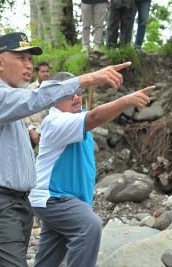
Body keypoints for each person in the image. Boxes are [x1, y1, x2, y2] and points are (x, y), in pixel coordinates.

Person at [0, 31, 132, 267]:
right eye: (21, 58)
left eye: (30, 60)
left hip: (15, 203)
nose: (28, 65)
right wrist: (90, 79)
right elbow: (36, 99)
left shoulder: (12, 105)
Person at [29, 71, 155, 267]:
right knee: (89, 226)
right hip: (54, 197)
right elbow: (95, 117)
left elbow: (92, 117)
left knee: (48, 258)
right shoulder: (56, 121)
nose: (76, 96)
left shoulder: (76, 117)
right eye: (68, 93)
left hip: (65, 198)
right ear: (53, 100)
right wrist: (125, 101)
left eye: (78, 91)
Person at [26, 61, 51, 149]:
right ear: (36, 73)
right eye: (43, 72)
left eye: (47, 71)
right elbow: (24, 111)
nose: (45, 74)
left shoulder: (54, 88)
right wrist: (31, 130)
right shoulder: (29, 89)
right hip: (33, 129)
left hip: (50, 130)